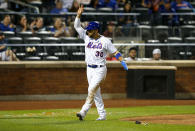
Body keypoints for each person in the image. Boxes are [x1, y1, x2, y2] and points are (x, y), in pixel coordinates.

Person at [74, 5, 128, 121]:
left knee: (91, 89)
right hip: (89, 69)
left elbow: (115, 52)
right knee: (96, 93)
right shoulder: (86, 36)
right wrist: (78, 16)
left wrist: (122, 61)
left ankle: (83, 111)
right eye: (88, 29)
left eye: (90, 30)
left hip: (100, 69)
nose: (88, 31)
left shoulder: (105, 41)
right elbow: (77, 26)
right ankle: (102, 115)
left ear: (96, 30)